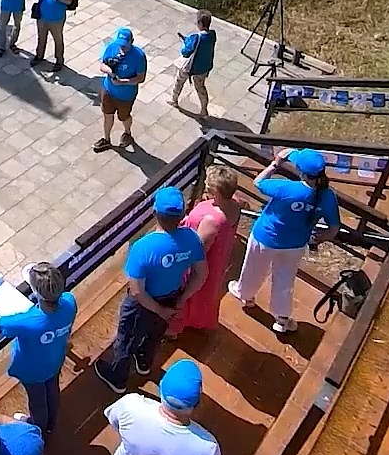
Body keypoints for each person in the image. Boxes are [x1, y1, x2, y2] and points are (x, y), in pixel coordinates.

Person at [95, 187, 206, 393]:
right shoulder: (191, 238)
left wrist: (158, 309)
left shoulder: (143, 247)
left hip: (143, 305)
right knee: (155, 333)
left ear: (154, 213)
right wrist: (181, 299)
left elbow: (137, 291)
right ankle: (144, 363)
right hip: (172, 296)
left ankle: (118, 378)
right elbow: (201, 273)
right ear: (181, 215)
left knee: (126, 339)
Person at [230, 148, 341, 334]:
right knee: (284, 280)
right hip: (295, 245)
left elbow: (258, 182)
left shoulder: (287, 188)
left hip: (265, 237)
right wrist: (318, 239)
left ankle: (246, 295)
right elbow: (334, 228)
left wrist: (276, 163)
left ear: (302, 172)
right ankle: (282, 319)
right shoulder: (328, 197)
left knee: (253, 269)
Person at [0, 262, 75, 432]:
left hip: (32, 370)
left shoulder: (27, 321)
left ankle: (38, 427)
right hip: (55, 359)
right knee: (52, 390)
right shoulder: (70, 301)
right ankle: (52, 422)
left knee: (37, 400)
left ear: (37, 292)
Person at [167, 169, 243, 337]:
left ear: (216, 192)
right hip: (218, 257)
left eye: (208, 187)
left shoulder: (212, 221)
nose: (205, 188)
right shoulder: (236, 203)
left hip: (202, 261)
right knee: (205, 293)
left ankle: (175, 329)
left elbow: (198, 250)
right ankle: (196, 321)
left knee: (187, 293)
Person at [95, 28, 148, 153]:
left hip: (126, 95)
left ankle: (127, 133)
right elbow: (102, 65)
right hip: (108, 90)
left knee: (124, 117)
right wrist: (110, 71)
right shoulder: (112, 47)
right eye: (120, 45)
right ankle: (106, 139)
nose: (122, 48)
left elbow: (140, 78)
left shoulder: (139, 57)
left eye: (125, 45)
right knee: (107, 115)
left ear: (132, 42)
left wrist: (122, 82)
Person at [30, 0, 76, 73]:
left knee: (58, 40)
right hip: (42, 17)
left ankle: (59, 61)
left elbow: (69, 1)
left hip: (57, 19)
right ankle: (39, 56)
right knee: (41, 38)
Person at [171, 11, 218, 117]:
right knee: (201, 88)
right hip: (204, 68)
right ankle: (204, 110)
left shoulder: (196, 37)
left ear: (200, 23)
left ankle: (174, 100)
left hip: (191, 67)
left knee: (179, 82)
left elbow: (185, 52)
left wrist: (186, 43)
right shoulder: (212, 35)